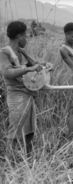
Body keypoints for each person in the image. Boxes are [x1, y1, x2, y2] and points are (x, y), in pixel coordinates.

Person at [0, 21, 42, 157]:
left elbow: (34, 65)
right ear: (19, 36)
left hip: (27, 94)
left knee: (29, 129)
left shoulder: (20, 52)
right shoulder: (4, 52)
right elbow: (7, 73)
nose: (27, 39)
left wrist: (43, 66)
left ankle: (27, 160)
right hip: (16, 96)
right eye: (26, 36)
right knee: (15, 130)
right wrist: (29, 68)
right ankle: (9, 162)